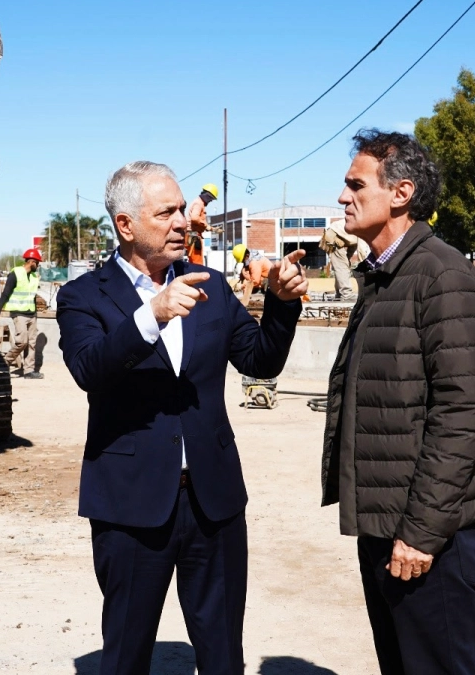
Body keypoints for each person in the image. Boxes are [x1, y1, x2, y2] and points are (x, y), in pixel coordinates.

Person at [57, 161, 308, 675]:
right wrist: (151, 315)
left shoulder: (211, 286)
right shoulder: (83, 296)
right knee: (126, 652)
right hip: (130, 505)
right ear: (125, 225)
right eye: (166, 212)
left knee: (222, 654)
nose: (182, 222)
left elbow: (259, 361)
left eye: (180, 210)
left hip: (212, 503)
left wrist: (280, 306)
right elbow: (89, 368)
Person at [320, 130, 475, 675]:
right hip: (387, 523)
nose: (343, 197)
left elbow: (465, 413)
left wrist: (421, 532)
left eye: (356, 185)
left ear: (400, 193)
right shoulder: (384, 277)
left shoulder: (442, 275)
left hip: (428, 536)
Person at [0, 248, 43, 379]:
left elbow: (32, 296)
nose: (38, 266)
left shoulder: (33, 276)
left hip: (31, 313)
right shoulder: (15, 274)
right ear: (32, 262)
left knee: (32, 343)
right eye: (37, 263)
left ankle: (28, 371)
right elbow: (6, 293)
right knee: (22, 341)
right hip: (18, 313)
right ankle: (4, 362)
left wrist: (36, 313)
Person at [319, 218, 369, 299]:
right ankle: (346, 294)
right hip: (333, 237)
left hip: (333, 236)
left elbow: (353, 246)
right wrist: (365, 266)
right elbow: (361, 250)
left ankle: (339, 294)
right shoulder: (364, 227)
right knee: (342, 267)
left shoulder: (356, 233)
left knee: (341, 267)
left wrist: (348, 259)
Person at [185, 183, 219, 265]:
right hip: (193, 235)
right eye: (211, 199)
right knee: (197, 264)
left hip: (191, 235)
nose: (210, 201)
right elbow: (194, 218)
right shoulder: (199, 203)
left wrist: (209, 228)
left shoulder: (198, 202)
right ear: (208, 196)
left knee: (193, 263)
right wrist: (206, 225)